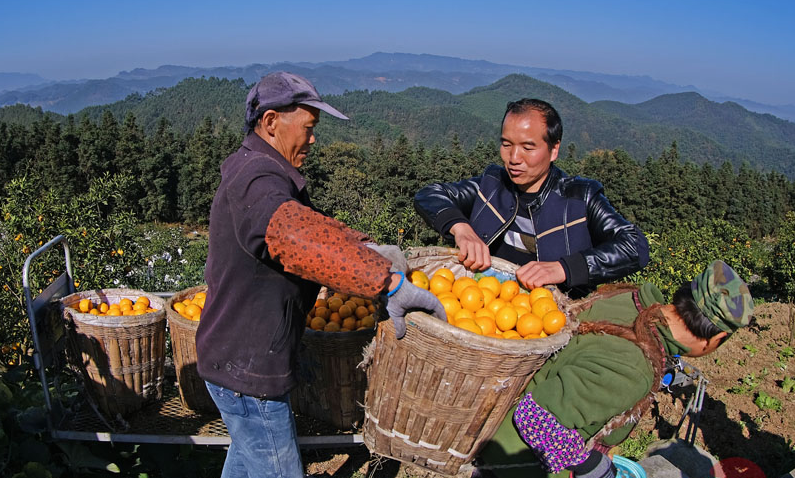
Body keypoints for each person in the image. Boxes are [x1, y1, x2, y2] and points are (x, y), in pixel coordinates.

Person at [195, 71, 445, 478]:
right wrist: (386, 281)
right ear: (271, 122)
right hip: (247, 368)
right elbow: (292, 234)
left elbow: (305, 223)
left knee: (246, 461)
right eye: (308, 128)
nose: (314, 140)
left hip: (233, 358)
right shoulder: (257, 178)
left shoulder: (259, 168)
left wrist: (361, 248)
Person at [474, 260, 754, 478]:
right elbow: (538, 421)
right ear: (715, 339)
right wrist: (595, 467)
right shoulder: (634, 367)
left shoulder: (630, 299)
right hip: (516, 461)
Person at [414, 98, 649, 297]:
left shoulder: (580, 199)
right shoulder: (492, 186)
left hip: (554, 316)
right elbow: (429, 195)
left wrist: (564, 269)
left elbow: (634, 246)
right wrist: (462, 229)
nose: (514, 158)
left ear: (554, 149)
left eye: (528, 148)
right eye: (506, 144)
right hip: (487, 304)